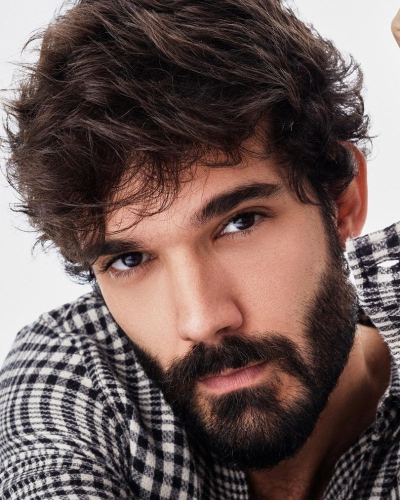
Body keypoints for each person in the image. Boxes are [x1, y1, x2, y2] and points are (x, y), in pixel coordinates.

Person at [0, 0, 399, 498]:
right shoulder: (74, 372)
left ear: (342, 200)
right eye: (129, 259)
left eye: (240, 223)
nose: (202, 320)